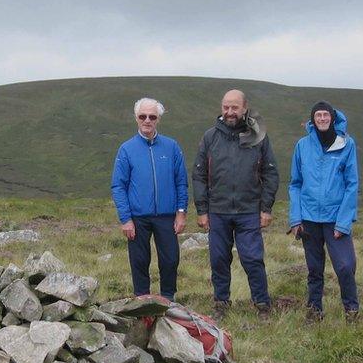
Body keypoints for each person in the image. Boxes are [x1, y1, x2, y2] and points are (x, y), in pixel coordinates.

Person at [193, 89, 279, 318]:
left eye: (234, 107)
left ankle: (262, 304)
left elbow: (270, 173)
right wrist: (202, 210)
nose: (230, 112)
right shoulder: (210, 137)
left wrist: (266, 208)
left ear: (244, 108)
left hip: (249, 210)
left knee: (252, 259)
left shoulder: (257, 135)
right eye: (225, 107)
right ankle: (221, 303)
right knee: (219, 260)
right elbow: (199, 175)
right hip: (217, 211)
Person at [288, 101, 360, 321]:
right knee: (314, 269)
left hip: (335, 218)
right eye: (317, 115)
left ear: (332, 117)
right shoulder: (302, 145)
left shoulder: (346, 144)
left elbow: (352, 184)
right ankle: (314, 310)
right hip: (309, 218)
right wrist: (295, 218)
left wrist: (343, 222)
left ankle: (351, 310)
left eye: (325, 115)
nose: (322, 119)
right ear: (312, 119)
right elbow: (295, 183)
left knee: (345, 266)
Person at [111, 97, 188, 301]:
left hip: (167, 216)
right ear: (136, 118)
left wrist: (181, 212)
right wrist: (125, 219)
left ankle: (168, 301)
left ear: (158, 119)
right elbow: (118, 185)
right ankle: (142, 302)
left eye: (152, 116)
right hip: (137, 217)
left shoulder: (172, 147)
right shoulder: (126, 149)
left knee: (170, 260)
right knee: (139, 261)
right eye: (142, 116)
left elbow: (181, 181)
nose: (147, 120)